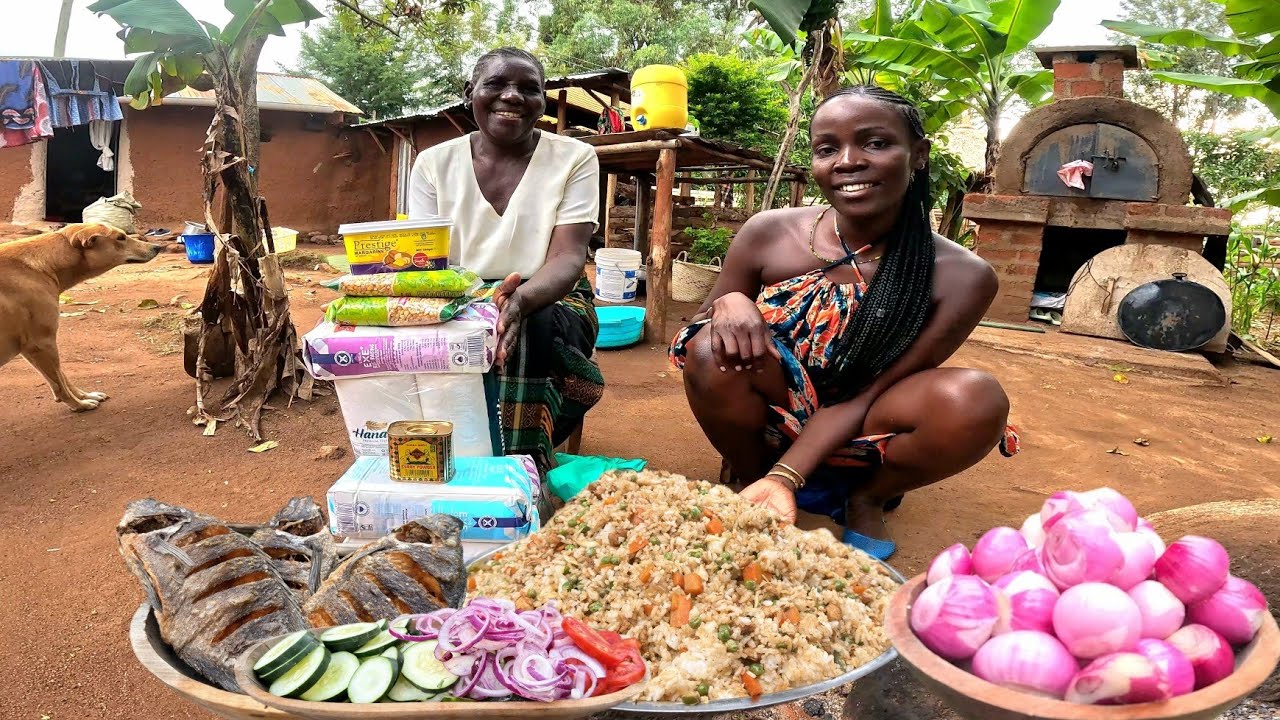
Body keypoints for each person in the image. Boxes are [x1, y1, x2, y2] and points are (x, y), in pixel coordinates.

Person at [670, 86, 1018, 560]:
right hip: (771, 402)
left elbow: (871, 392)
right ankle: (752, 475)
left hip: (866, 414)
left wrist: (786, 476)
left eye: (875, 143)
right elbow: (698, 324)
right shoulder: (769, 232)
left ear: (918, 155)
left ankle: (867, 496)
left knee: (975, 400)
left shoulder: (961, 276)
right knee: (712, 349)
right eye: (827, 148)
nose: (847, 161)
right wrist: (730, 300)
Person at [408, 48, 603, 473]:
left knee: (531, 325)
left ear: (542, 101)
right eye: (496, 85)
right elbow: (427, 261)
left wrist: (519, 299)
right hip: (458, 295)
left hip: (551, 293)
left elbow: (569, 258)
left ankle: (520, 470)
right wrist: (472, 306)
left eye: (528, 88)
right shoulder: (433, 164)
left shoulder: (574, 158)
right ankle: (446, 450)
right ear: (470, 94)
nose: (512, 97)